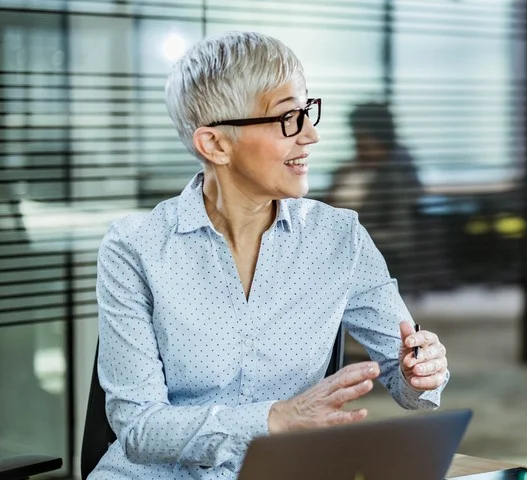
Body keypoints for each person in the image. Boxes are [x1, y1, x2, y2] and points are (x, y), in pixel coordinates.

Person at [90, 31, 450, 479]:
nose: (311, 135)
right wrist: (276, 419)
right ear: (215, 144)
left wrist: (425, 371)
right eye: (287, 119)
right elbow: (139, 429)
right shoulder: (135, 248)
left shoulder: (340, 237)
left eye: (307, 112)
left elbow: (405, 374)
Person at [326, 103, 428, 299]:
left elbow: (399, 233)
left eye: (363, 139)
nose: (358, 145)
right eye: (356, 138)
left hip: (370, 250)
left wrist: (351, 238)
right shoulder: (349, 169)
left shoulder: (394, 175)